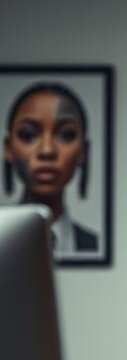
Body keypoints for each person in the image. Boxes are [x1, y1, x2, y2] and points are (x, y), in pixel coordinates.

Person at [3, 82, 99, 255]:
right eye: (28, 135)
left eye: (66, 135)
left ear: (83, 151)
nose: (47, 150)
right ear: (8, 149)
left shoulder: (94, 245)